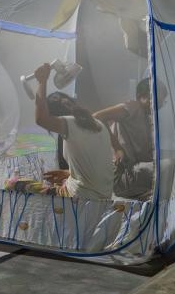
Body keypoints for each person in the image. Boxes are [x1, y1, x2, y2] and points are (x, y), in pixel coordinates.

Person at [13, 63, 115, 200]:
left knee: (13, 183)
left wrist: (42, 81)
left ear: (55, 115)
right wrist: (68, 174)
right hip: (103, 197)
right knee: (56, 180)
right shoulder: (98, 125)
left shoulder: (71, 124)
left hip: (80, 198)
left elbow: (41, 119)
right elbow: (94, 170)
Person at [92, 77, 160, 173]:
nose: (160, 105)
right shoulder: (133, 107)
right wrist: (117, 148)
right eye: (159, 99)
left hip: (135, 168)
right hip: (122, 171)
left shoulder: (146, 117)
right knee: (173, 165)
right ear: (144, 97)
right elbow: (97, 117)